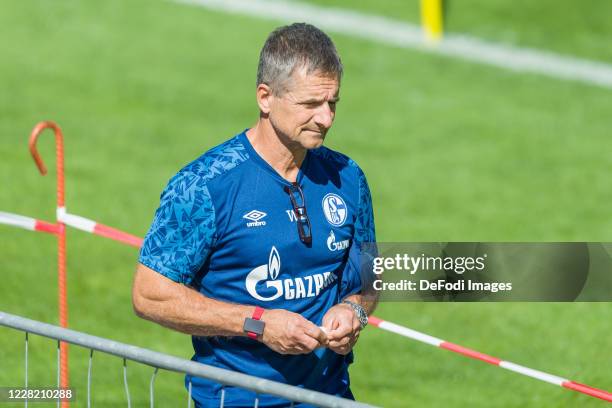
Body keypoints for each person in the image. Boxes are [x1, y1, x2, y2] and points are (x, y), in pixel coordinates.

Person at [132, 22, 377, 407]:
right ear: (266, 97)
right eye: (311, 104)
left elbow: (367, 277)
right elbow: (150, 295)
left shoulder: (348, 178)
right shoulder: (204, 185)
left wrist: (354, 311)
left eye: (332, 103)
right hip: (238, 400)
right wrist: (257, 324)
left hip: (330, 397)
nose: (326, 118)